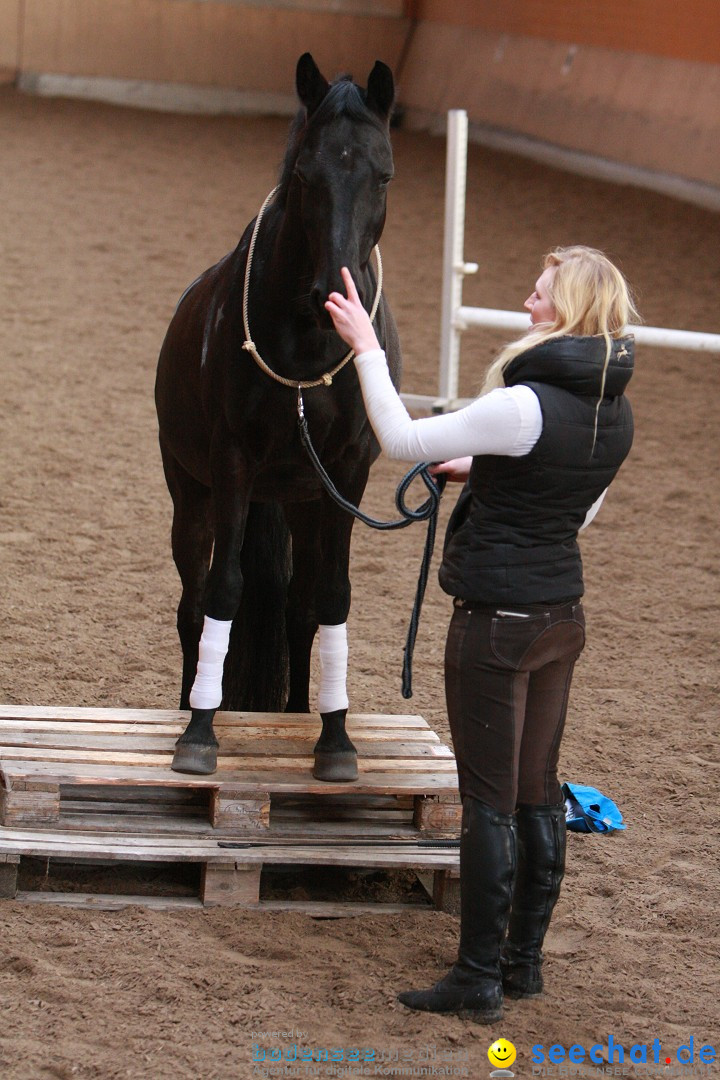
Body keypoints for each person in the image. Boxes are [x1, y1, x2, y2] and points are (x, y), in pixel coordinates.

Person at [325, 246, 637, 1023]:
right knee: (537, 794)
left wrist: (368, 351)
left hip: (496, 624)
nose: (527, 307)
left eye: (538, 297)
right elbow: (578, 509)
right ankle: (521, 965)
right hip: (561, 616)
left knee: (488, 803)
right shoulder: (614, 409)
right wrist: (485, 466)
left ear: (565, 309)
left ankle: (475, 978)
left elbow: (398, 439)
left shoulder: (524, 402)